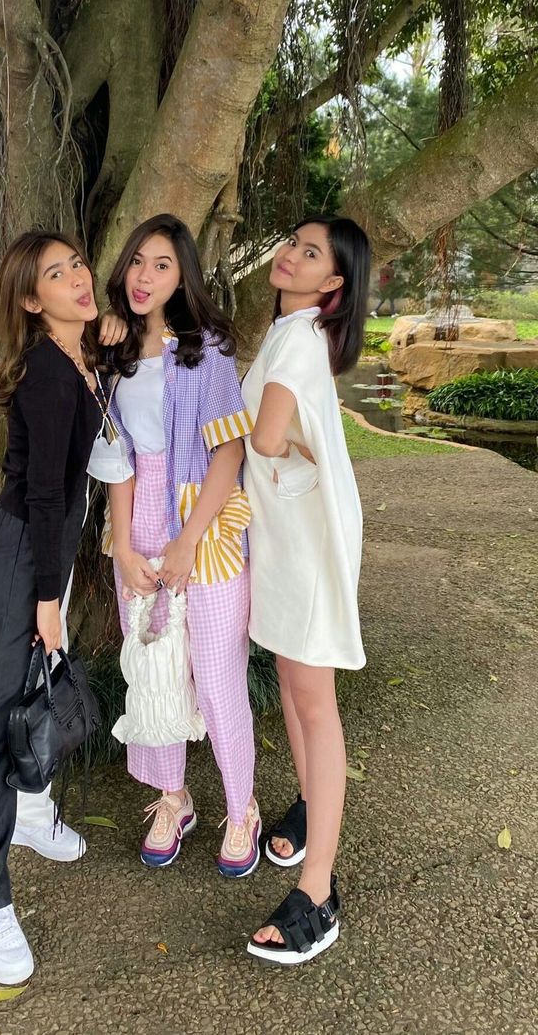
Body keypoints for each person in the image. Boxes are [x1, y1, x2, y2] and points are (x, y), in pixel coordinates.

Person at [0, 230, 105, 985]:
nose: (78, 276)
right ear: (28, 299)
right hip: (23, 552)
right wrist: (48, 598)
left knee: (33, 689)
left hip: (44, 549)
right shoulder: (48, 371)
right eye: (57, 273)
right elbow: (45, 494)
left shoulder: (78, 353)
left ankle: (35, 816)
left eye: (77, 262)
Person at [100, 214, 260, 876]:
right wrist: (126, 548)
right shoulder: (108, 347)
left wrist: (190, 541)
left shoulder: (208, 346)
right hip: (135, 520)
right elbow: (114, 454)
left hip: (208, 524)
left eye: (161, 265)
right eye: (137, 261)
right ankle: (173, 798)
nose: (144, 276)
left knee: (217, 677)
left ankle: (241, 807)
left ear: (182, 275)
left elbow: (228, 450)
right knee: (153, 668)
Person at [242, 215, 371, 966]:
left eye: (311, 253)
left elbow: (263, 437)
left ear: (334, 286)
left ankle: (319, 893)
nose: (289, 253)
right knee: (293, 686)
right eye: (292, 240)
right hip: (290, 539)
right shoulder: (290, 330)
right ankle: (310, 807)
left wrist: (283, 444)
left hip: (308, 544)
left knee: (313, 701)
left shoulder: (296, 337)